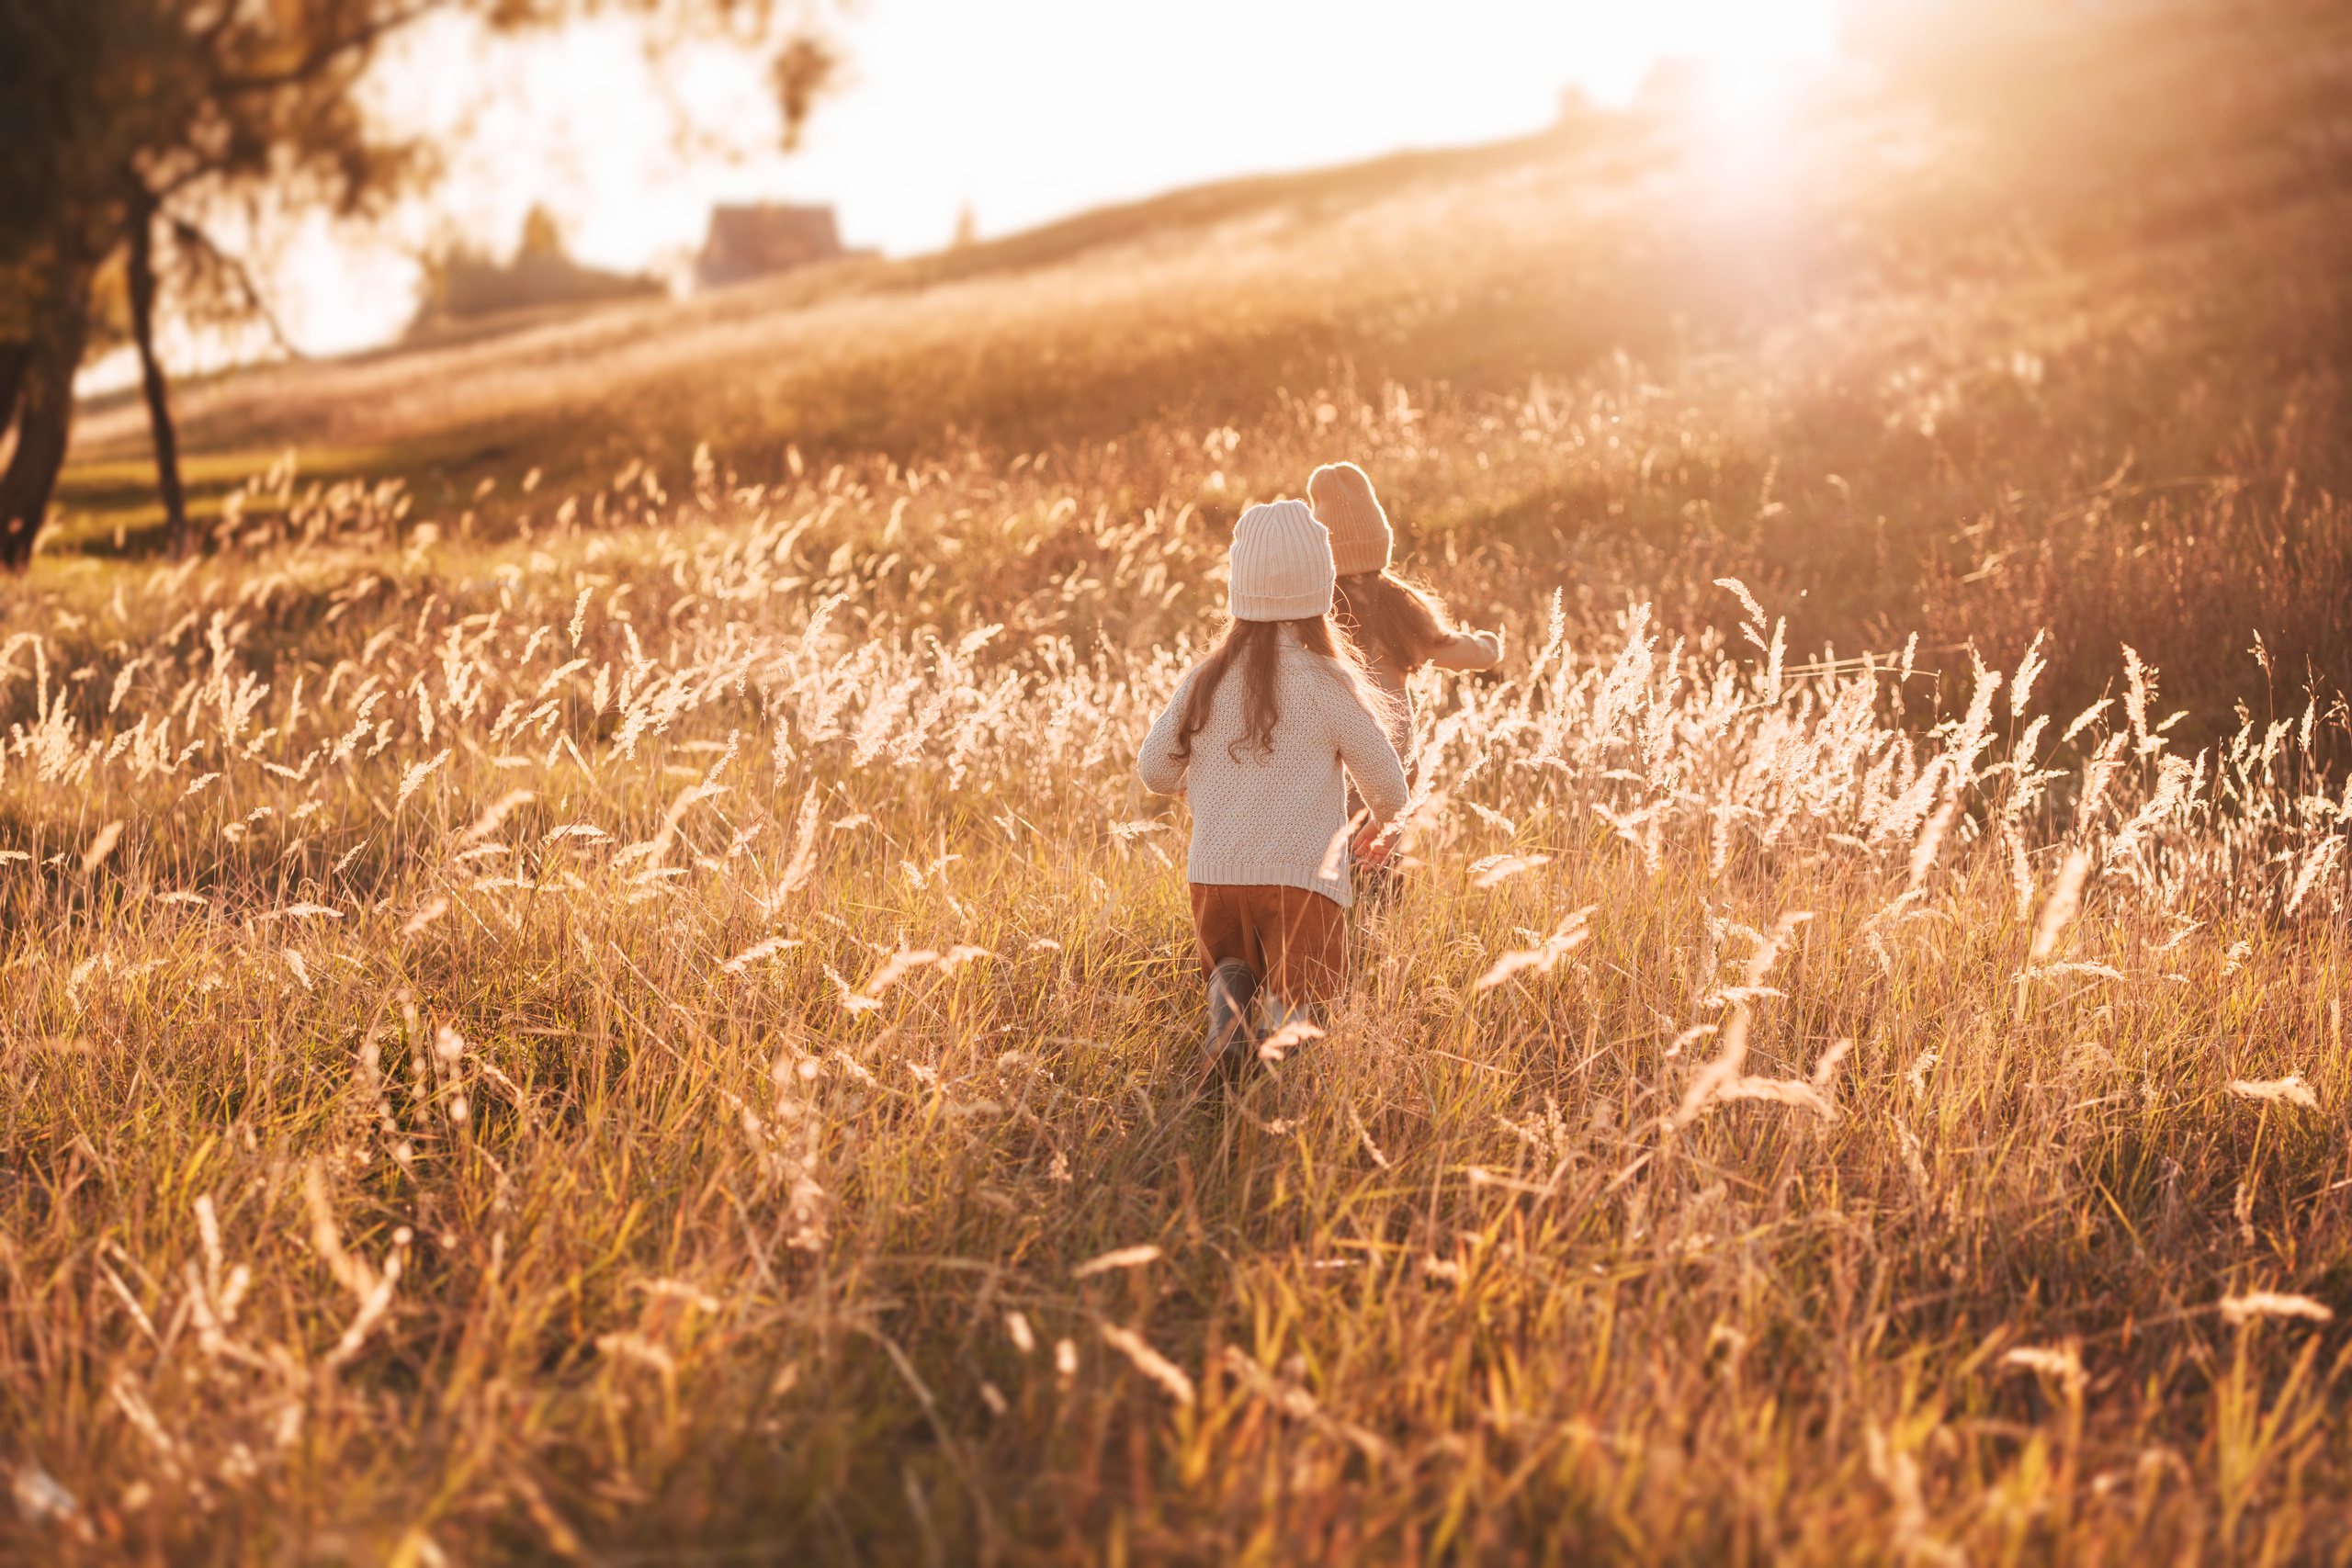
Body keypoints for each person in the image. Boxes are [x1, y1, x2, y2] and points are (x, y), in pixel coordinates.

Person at [1137, 499, 1409, 1083]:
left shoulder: (1206, 678)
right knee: (1301, 1000)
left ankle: (1226, 1022)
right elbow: (1389, 788)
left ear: (1240, 590)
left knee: (1229, 965)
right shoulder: (1329, 682)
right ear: (1322, 591)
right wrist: (1375, 829)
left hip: (1214, 873)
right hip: (1302, 880)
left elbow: (1155, 772)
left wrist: (1208, 787)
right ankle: (1271, 1083)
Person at [1307, 461, 1504, 775]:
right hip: (1391, 763)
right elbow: (1451, 651)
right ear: (1380, 541)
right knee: (1386, 825)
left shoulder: (1310, 611)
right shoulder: (1397, 610)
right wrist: (1489, 647)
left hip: (1325, 771)